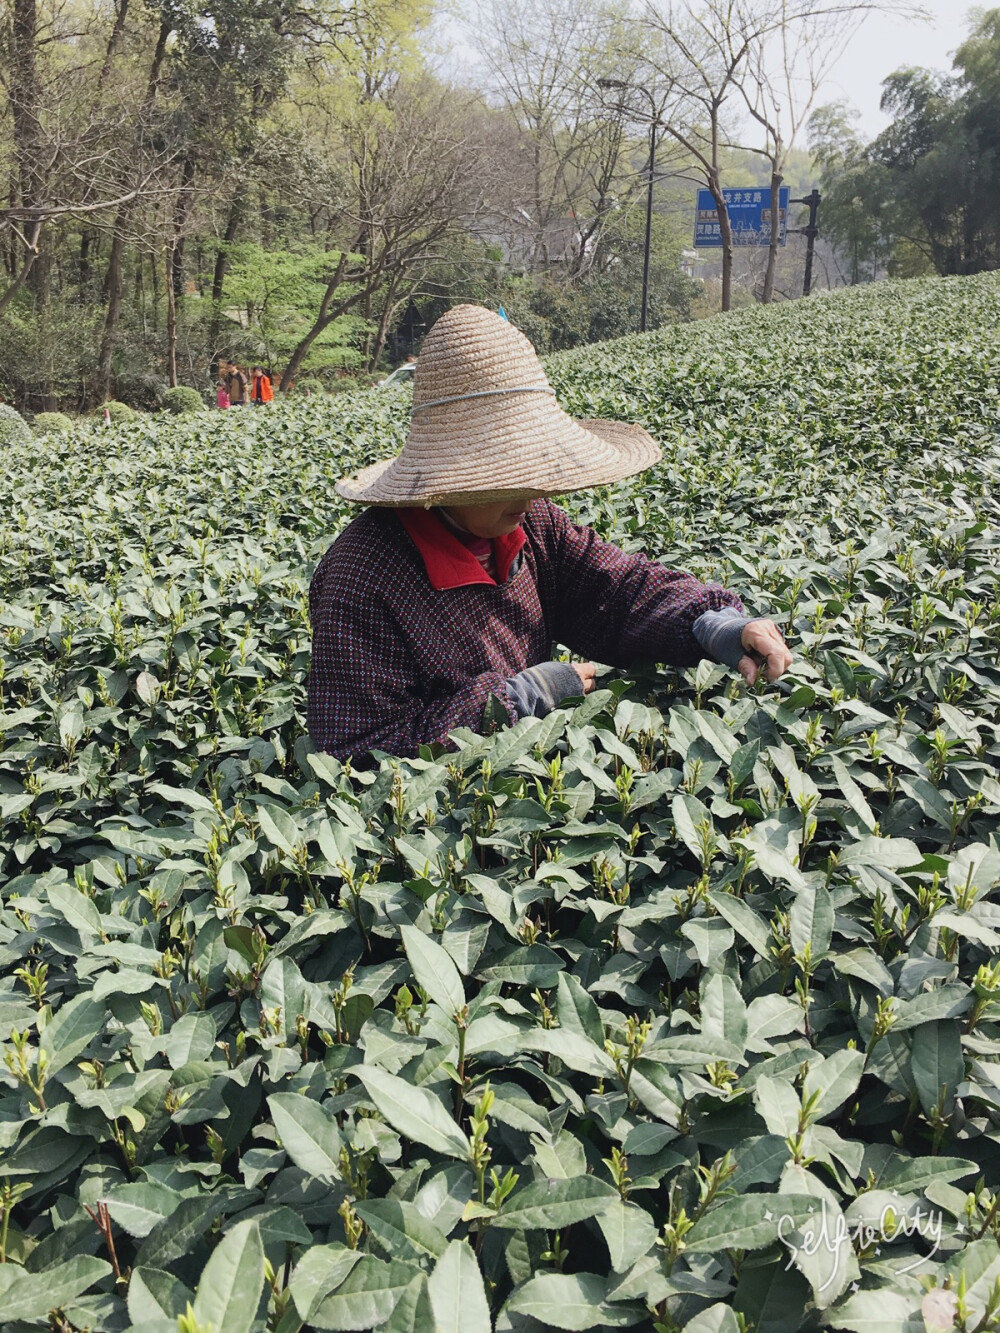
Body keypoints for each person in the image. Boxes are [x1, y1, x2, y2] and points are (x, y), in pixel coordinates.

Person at [308, 305, 792, 761]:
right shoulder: (362, 578)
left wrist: (713, 625)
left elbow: (619, 589)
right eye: (505, 476)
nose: (530, 494)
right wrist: (521, 696)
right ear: (450, 474)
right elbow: (357, 749)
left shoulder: (533, 523)